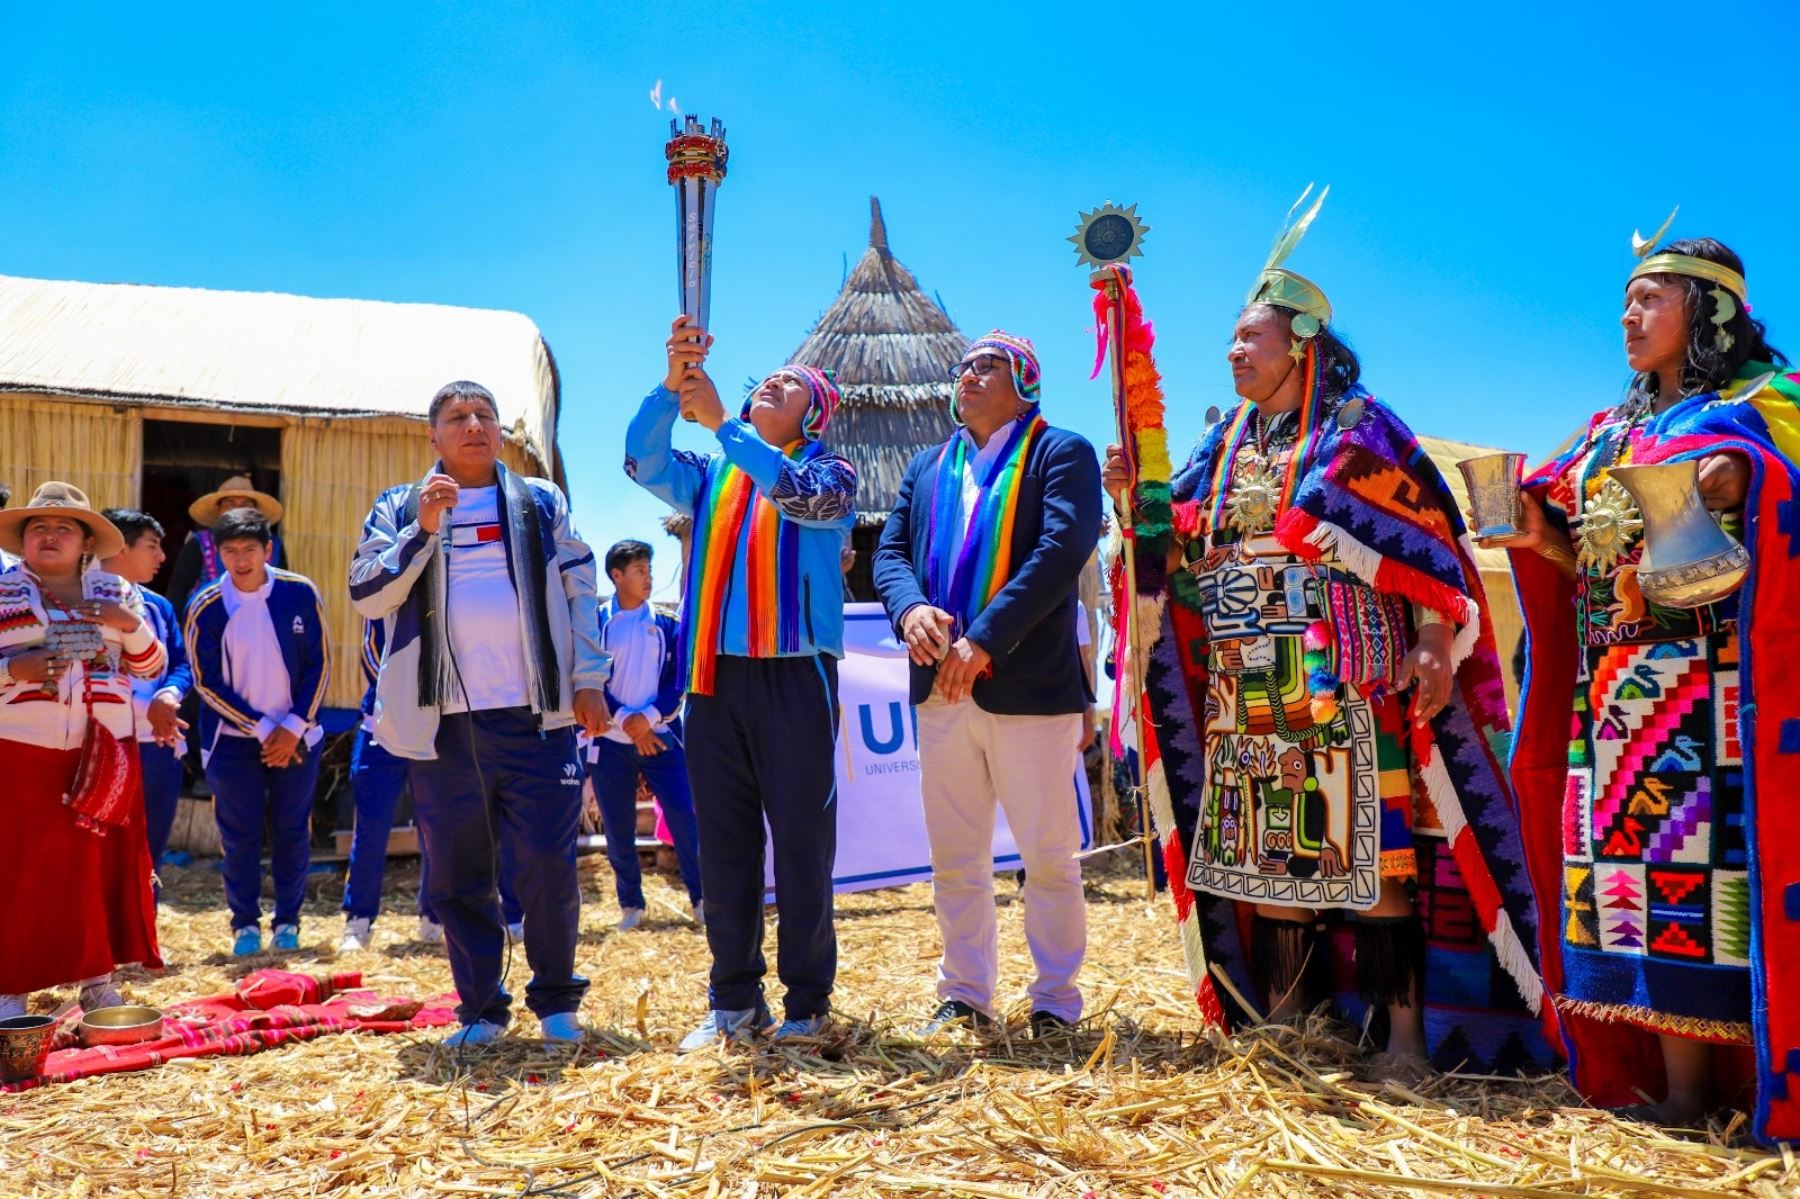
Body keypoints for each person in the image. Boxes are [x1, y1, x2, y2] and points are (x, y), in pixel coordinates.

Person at [1108, 193, 1551, 1079]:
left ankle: (1405, 1043)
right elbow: (1177, 529)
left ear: (1300, 343)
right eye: (1231, 339)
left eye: (1250, 338)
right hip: (1249, 678)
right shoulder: (1228, 439)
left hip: (1343, 675)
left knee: (1377, 865)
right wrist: (1136, 492)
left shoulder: (1361, 428)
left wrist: (1431, 634)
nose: (1234, 351)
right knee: (1272, 863)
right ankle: (1290, 1029)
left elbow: (1429, 535)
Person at [1498, 228, 1800, 1141]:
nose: (1629, 317)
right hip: (1615, 699)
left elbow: (1783, 483)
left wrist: (1742, 476)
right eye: (1626, 301)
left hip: (1717, 700)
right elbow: (1573, 552)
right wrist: (1525, 529)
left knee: (1718, 890)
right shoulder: (1605, 435)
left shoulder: (1766, 400)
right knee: (1637, 890)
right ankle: (1669, 1087)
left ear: (1707, 311)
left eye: (1652, 299)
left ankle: (1723, 1090)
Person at [350, 380, 609, 1047]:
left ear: (501, 434)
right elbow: (367, 594)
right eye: (457, 418)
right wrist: (423, 529)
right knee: (459, 874)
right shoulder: (399, 505)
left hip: (535, 715)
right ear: (432, 437)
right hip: (442, 723)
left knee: (548, 866)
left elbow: (582, 591)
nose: (473, 425)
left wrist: (589, 679)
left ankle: (557, 1004)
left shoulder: (540, 501)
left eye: (485, 416)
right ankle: (482, 1012)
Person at [626, 316, 855, 1050]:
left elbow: (795, 495)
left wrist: (723, 419)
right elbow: (640, 459)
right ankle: (732, 1000)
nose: (769, 386)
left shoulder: (831, 472)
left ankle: (808, 1003)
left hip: (796, 678)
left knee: (800, 842)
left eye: (788, 386)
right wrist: (671, 387)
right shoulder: (710, 474)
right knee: (723, 845)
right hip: (713, 682)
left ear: (812, 417)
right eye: (766, 381)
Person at [874, 332, 1101, 1038]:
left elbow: (1061, 549)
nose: (967, 374)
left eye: (986, 365)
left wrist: (984, 639)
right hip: (943, 688)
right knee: (956, 856)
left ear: (1024, 380)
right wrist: (910, 608)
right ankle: (965, 991)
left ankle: (1056, 1002)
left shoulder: (1060, 451)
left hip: (1025, 684)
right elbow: (889, 552)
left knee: (1048, 857)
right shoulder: (927, 464)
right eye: (963, 365)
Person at [0, 483, 165, 1018]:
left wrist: (129, 627)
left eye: (63, 528)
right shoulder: (2, 592)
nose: (49, 536)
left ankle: (97, 982)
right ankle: (11, 989)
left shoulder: (119, 593)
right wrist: (12, 669)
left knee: (97, 866)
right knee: (20, 870)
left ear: (86, 541)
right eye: (38, 528)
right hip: (21, 751)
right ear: (23, 541)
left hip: (105, 751)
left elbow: (149, 667)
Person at [186, 508, 330, 956]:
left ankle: (288, 922)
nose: (241, 559)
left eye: (250, 549)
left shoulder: (299, 593)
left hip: (297, 736)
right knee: (239, 835)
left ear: (269, 549)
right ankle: (244, 925)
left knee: (292, 832)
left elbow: (319, 664)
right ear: (218, 554)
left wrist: (291, 727)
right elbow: (206, 681)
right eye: (230, 551)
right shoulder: (207, 606)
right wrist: (264, 728)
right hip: (232, 743)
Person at [588, 539, 704, 929]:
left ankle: (703, 900)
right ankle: (631, 907)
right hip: (610, 741)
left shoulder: (667, 624)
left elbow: (678, 681)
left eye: (649, 570)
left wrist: (649, 718)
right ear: (616, 576)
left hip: (663, 737)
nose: (648, 577)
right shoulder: (596, 624)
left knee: (686, 817)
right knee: (618, 828)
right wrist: (626, 722)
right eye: (639, 571)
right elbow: (589, 679)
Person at [98, 508, 193, 896]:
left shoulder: (158, 606)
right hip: (100, 741)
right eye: (152, 546)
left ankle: (144, 937)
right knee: (97, 845)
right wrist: (143, 706)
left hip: (155, 743)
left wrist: (168, 695)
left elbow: (181, 664)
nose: (161, 557)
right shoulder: (78, 601)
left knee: (149, 847)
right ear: (120, 547)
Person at [167, 475, 285, 616]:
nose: (237, 510)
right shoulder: (198, 545)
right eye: (229, 504)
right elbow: (178, 592)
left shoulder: (273, 545)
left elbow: (282, 590)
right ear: (218, 512)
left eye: (246, 505)